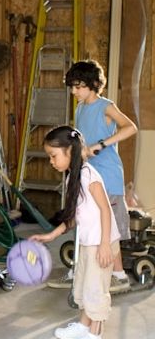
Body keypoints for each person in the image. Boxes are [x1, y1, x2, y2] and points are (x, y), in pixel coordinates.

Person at [49, 59, 136, 293]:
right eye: (72, 87)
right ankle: (78, 271)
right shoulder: (80, 109)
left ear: (94, 84)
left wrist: (101, 144)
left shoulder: (106, 106)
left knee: (110, 229)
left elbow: (130, 127)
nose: (74, 92)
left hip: (107, 176)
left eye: (78, 87)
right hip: (86, 176)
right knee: (85, 221)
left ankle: (119, 276)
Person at [31, 125, 120, 339]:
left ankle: (95, 333)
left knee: (96, 289)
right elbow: (73, 216)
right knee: (85, 284)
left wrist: (105, 245)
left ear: (69, 150)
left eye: (53, 155)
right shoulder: (73, 177)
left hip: (101, 242)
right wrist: (51, 235)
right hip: (89, 243)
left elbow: (105, 210)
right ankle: (83, 325)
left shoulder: (88, 175)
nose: (51, 161)